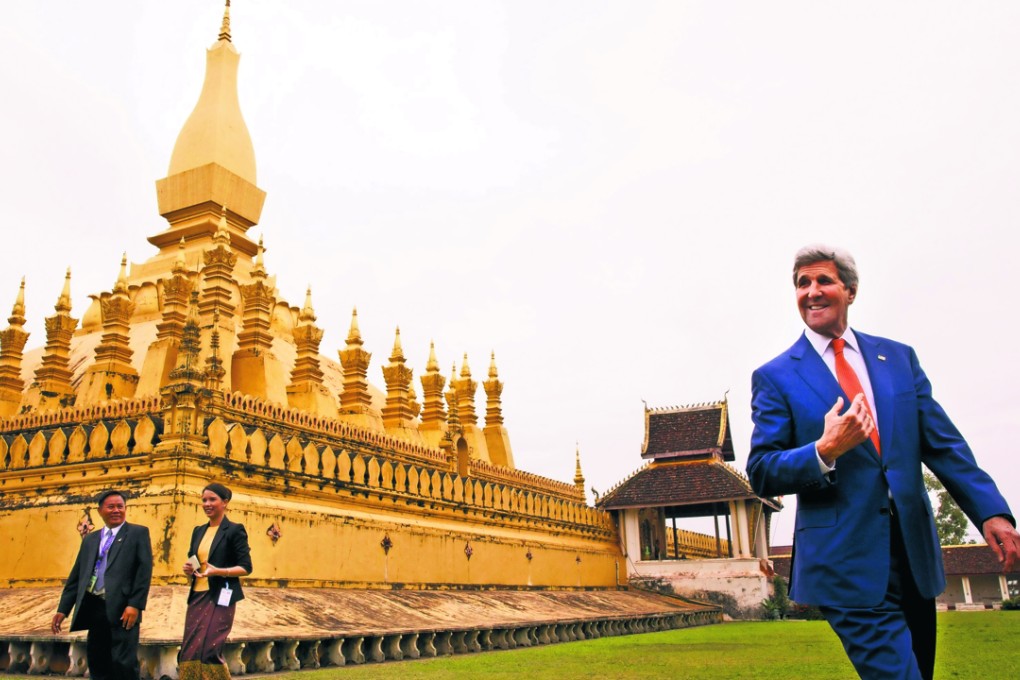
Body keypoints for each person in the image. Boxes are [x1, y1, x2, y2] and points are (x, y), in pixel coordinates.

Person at [747, 244, 1020, 680]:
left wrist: (991, 512)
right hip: (845, 562)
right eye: (802, 283)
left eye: (823, 280)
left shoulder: (896, 359)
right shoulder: (777, 376)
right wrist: (824, 451)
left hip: (913, 554)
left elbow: (944, 444)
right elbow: (761, 470)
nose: (811, 292)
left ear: (850, 290)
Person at [51, 490, 153, 680]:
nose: (116, 510)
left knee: (123, 662)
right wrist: (63, 609)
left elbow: (144, 571)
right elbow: (77, 575)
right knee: (97, 659)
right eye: (111, 507)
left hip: (123, 607)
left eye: (120, 506)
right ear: (99, 511)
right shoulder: (91, 539)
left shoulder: (138, 533)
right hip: (95, 605)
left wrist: (135, 604)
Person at [179, 482, 252, 680]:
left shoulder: (234, 530)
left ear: (225, 502)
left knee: (210, 648)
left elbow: (246, 567)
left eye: (212, 499)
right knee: (190, 648)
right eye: (204, 500)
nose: (207, 504)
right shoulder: (198, 531)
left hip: (222, 595)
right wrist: (189, 569)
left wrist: (218, 571)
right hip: (197, 595)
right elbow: (194, 560)